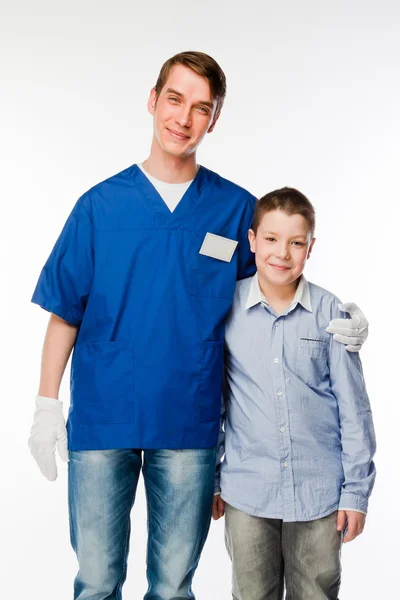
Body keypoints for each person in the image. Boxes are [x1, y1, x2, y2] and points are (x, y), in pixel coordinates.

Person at [28, 52, 368, 600]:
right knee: (94, 582)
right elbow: (64, 310)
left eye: (201, 108)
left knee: (173, 585)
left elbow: (276, 289)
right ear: (153, 101)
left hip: (190, 424)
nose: (184, 118)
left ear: (214, 119)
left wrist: (344, 318)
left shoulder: (235, 210)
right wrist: (46, 407)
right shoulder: (98, 207)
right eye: (175, 99)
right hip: (102, 418)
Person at [212, 187, 376, 600]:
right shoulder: (226, 310)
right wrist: (213, 480)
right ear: (252, 241)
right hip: (248, 492)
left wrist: (356, 492)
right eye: (270, 239)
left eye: (296, 242)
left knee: (317, 593)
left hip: (319, 495)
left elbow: (354, 410)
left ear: (310, 247)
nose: (282, 253)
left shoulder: (330, 312)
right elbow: (214, 402)